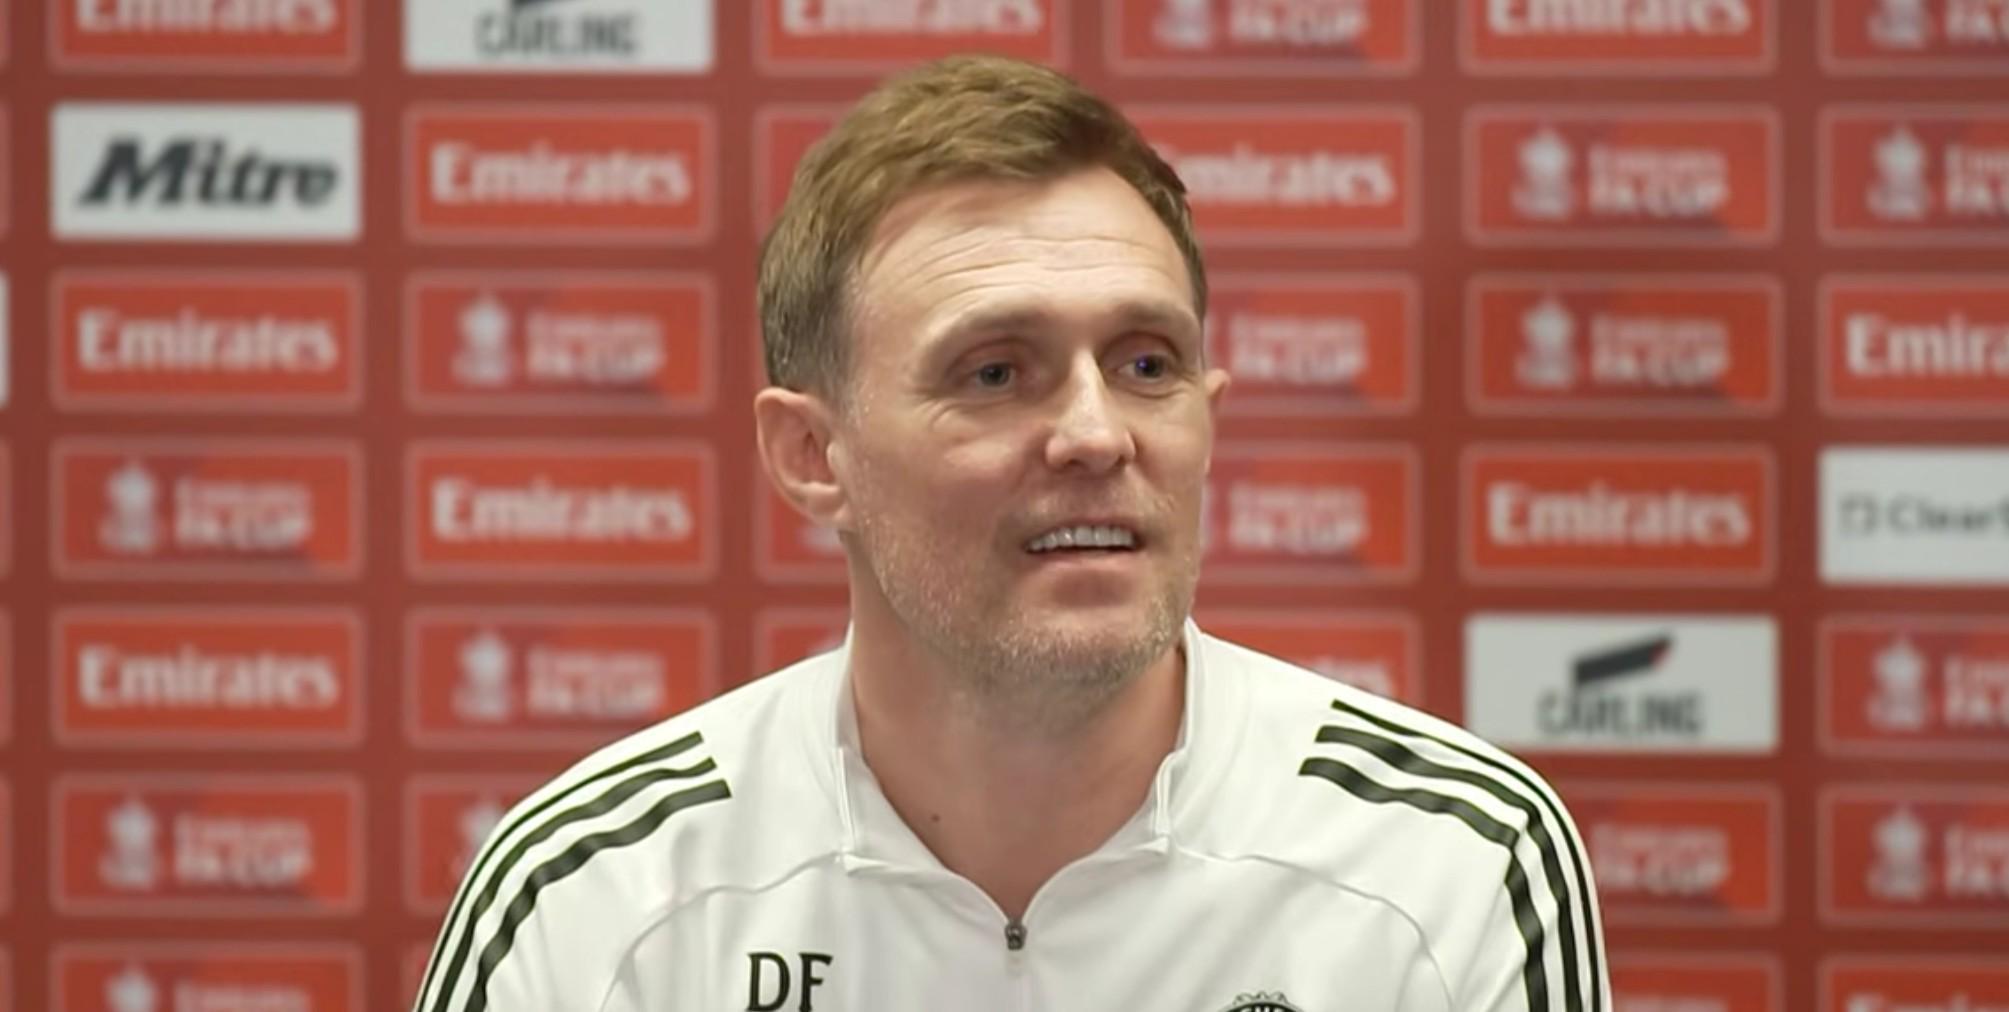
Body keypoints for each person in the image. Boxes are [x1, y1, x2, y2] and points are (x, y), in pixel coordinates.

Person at [414, 55, 1609, 1012]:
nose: (1094, 433)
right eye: (994, 372)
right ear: (812, 455)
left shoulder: (1448, 858)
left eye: (1146, 364)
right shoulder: (597, 894)